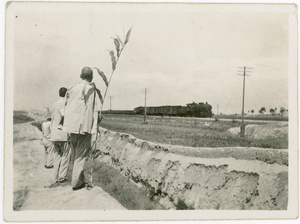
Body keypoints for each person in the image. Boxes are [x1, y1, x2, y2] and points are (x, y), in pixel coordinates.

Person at [61, 67, 103, 191]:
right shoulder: (91, 89)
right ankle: (76, 183)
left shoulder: (72, 89)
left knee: (75, 157)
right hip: (83, 128)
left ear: (81, 76)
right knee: (80, 157)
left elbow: (65, 108)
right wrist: (95, 125)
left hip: (71, 128)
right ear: (92, 77)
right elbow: (92, 110)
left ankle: (80, 180)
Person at [45, 87, 72, 188]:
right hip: (63, 135)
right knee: (65, 156)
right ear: (67, 94)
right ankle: (62, 178)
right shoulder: (67, 104)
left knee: (56, 156)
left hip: (54, 135)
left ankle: (55, 177)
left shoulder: (54, 104)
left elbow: (52, 119)